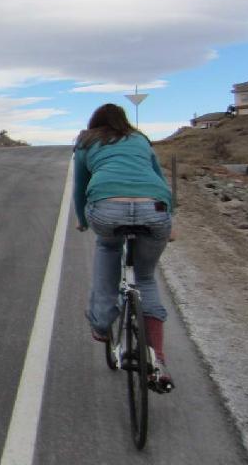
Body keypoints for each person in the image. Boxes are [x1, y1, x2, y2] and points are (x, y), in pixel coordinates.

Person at [73, 103, 174, 388]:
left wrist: (82, 219)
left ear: (95, 122)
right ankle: (158, 361)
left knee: (108, 248)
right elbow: (161, 182)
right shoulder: (140, 139)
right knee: (144, 278)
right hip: (155, 209)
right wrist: (170, 219)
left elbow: (81, 187)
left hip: (108, 210)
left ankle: (102, 324)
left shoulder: (87, 141)